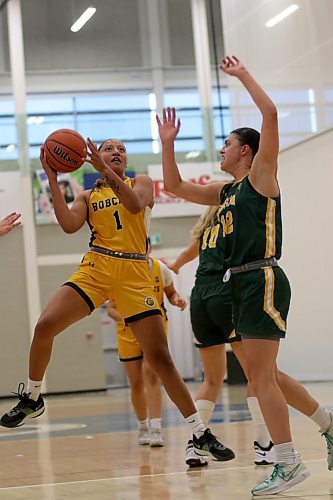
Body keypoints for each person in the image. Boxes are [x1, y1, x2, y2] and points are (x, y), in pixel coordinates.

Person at [157, 55, 333, 495]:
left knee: (260, 379)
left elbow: (270, 114)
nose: (221, 149)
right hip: (238, 284)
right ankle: (327, 426)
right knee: (266, 376)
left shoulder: (261, 176)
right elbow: (176, 187)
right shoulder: (225, 192)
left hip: (262, 278)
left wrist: (242, 76)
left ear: (246, 151)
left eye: (227, 144)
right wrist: (166, 144)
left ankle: (288, 462)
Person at [0, 138, 233, 464]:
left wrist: (105, 171)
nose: (116, 152)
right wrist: (51, 177)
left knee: (161, 358)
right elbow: (68, 225)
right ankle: (33, 397)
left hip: (136, 271)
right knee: (44, 325)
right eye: (109, 148)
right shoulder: (87, 194)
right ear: (93, 157)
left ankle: (200, 432)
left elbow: (136, 205)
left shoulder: (141, 183)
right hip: (98, 266)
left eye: (121, 149)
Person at [163, 207, 333, 470]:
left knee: (212, 378)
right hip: (226, 292)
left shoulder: (207, 228)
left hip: (200, 297)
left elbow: (181, 259)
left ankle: (197, 441)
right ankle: (264, 445)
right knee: (262, 374)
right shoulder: (236, 217)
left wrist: (168, 265)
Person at [107, 237, 187, 448]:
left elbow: (171, 294)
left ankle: (157, 428)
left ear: (149, 248)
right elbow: (111, 310)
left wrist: (177, 300)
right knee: (136, 382)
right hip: (127, 331)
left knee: (151, 374)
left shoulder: (161, 269)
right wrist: (128, 319)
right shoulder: (120, 271)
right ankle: (143, 426)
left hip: (155, 327)